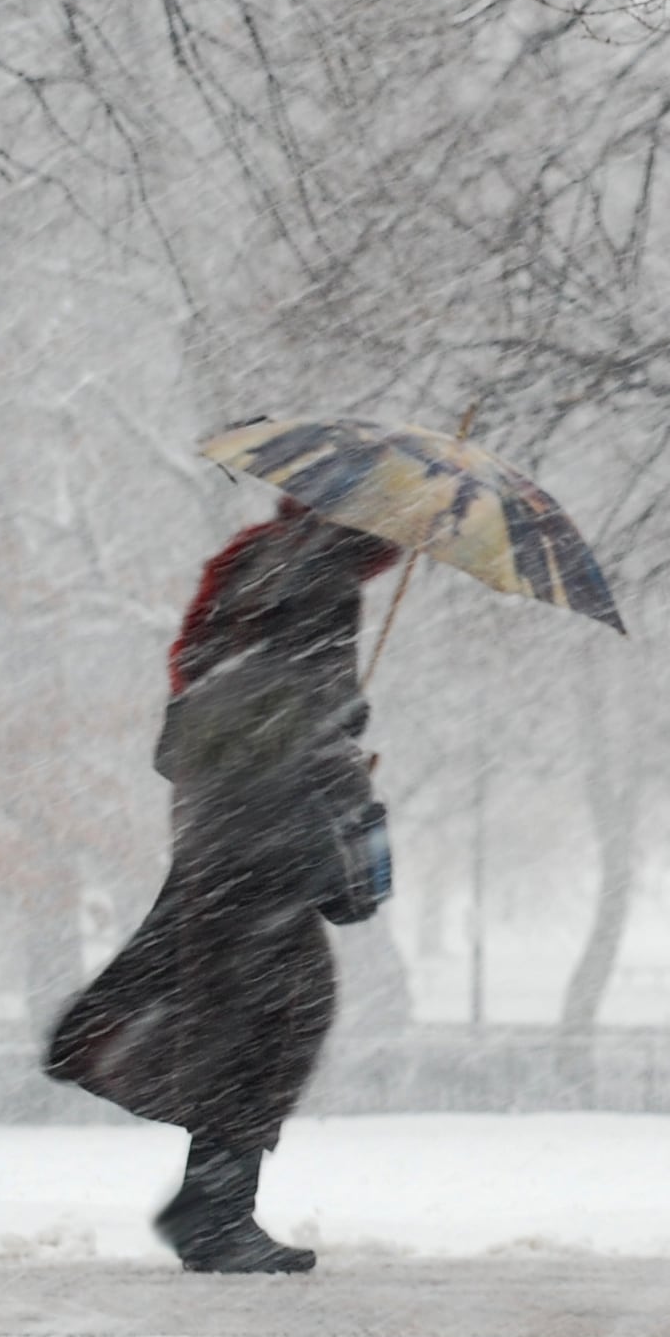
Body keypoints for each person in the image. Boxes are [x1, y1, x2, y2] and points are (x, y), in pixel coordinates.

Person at [47, 504, 402, 1272]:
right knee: (269, 1022)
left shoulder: (261, 561)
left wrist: (325, 728)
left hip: (220, 824)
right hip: (265, 833)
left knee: (241, 1016)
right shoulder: (320, 574)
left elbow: (217, 695)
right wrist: (338, 740)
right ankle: (212, 1215)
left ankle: (209, 1206)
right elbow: (294, 699)